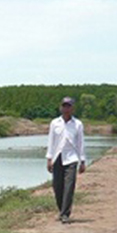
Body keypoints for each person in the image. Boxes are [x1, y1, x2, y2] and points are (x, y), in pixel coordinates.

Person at [46, 96, 86, 224]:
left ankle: (65, 214)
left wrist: (82, 161)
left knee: (69, 186)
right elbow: (51, 141)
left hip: (71, 158)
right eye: (64, 106)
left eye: (68, 106)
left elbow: (80, 143)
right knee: (57, 186)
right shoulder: (54, 123)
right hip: (57, 157)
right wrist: (49, 159)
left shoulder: (78, 124)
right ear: (60, 107)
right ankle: (61, 210)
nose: (66, 108)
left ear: (72, 108)